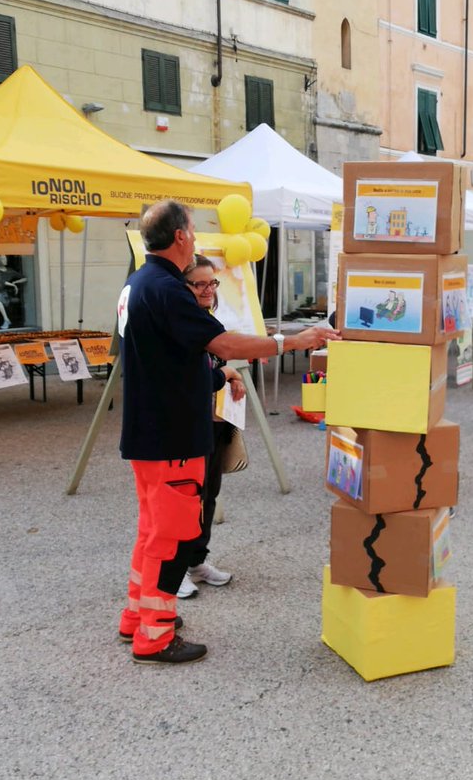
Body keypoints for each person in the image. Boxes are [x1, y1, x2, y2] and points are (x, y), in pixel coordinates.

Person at [116, 200, 338, 665]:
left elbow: (166, 357)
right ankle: (154, 636)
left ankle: (137, 617)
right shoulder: (168, 288)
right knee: (173, 536)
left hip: (148, 431)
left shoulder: (138, 283)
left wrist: (214, 378)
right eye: (193, 230)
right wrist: (293, 340)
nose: (195, 237)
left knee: (152, 530)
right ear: (180, 236)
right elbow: (223, 343)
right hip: (173, 434)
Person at [176, 254, 245, 600]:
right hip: (187, 424)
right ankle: (174, 571)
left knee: (209, 495)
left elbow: (216, 364)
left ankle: (196, 562)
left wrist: (231, 377)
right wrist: (226, 374)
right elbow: (190, 375)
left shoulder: (208, 318)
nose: (207, 290)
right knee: (186, 498)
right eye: (199, 283)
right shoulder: (181, 322)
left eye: (212, 282)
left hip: (215, 419)